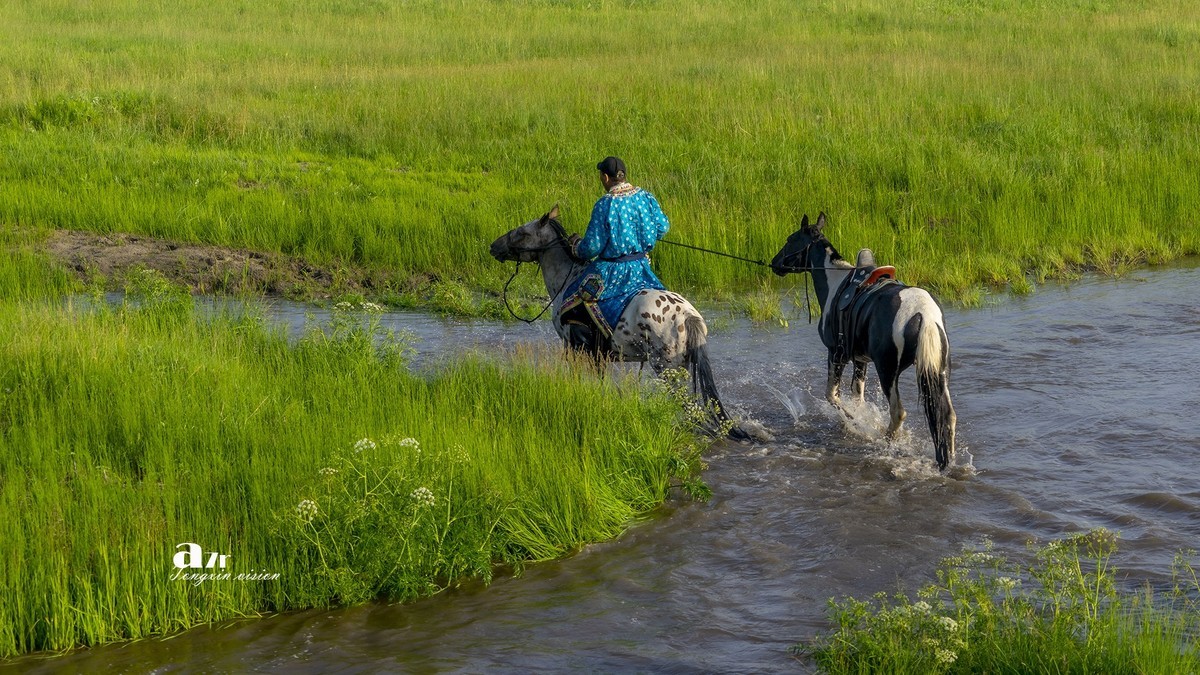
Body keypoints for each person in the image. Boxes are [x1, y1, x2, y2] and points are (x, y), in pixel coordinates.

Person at [560, 156, 671, 356]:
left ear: (605, 177)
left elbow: (591, 248)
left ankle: (589, 356)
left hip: (613, 271)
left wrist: (576, 246)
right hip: (642, 267)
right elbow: (662, 228)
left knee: (574, 301)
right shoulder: (646, 197)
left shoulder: (605, 204)